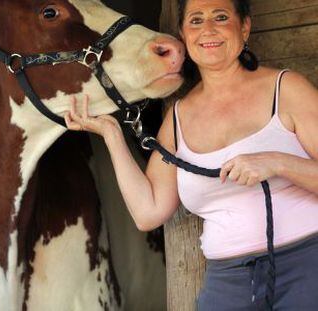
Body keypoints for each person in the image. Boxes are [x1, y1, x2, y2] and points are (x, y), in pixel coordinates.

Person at [64, 0, 318, 309]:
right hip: (228, 281)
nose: (208, 29)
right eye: (196, 21)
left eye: (220, 17)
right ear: (183, 35)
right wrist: (112, 135)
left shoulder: (286, 88)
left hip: (307, 262)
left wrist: (279, 162)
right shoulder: (177, 117)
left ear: (245, 27)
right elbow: (149, 212)